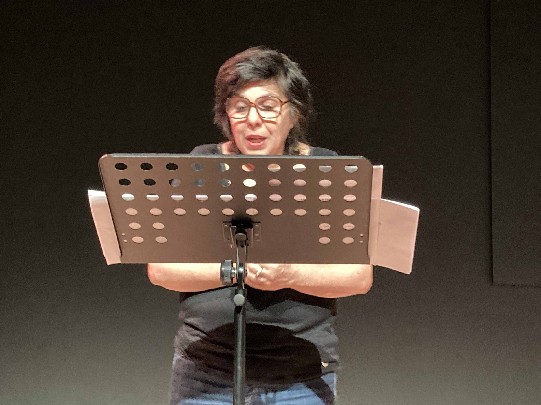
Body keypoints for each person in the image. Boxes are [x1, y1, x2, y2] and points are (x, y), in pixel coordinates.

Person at [147, 46, 373, 405]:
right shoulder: (201, 164)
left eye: (267, 106)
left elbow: (358, 277)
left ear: (293, 114)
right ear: (226, 113)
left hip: (300, 375)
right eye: (240, 106)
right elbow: (161, 269)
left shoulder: (325, 170)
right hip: (205, 371)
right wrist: (235, 271)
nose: (253, 119)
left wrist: (289, 275)